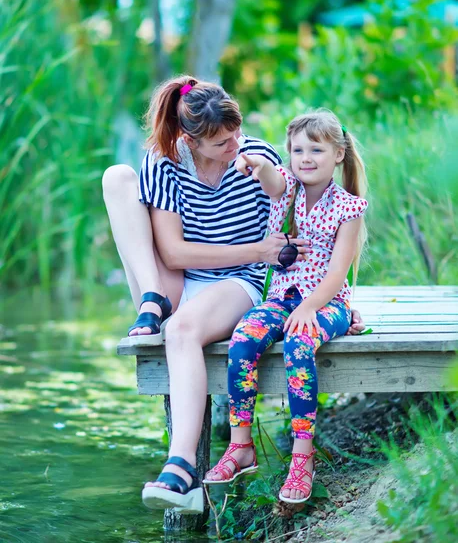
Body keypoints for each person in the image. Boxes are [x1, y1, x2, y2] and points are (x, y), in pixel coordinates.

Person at [102, 77, 366, 514]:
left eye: (236, 133)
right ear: (192, 140)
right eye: (222, 142)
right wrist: (260, 249)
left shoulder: (255, 155)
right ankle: (151, 299)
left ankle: (181, 466)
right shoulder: (165, 160)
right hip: (173, 280)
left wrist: (313, 298)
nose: (234, 144)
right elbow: (171, 251)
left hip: (233, 284)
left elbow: (282, 189)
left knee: (182, 331)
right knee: (117, 177)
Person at [203, 109, 368, 505]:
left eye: (316, 149)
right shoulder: (285, 190)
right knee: (243, 339)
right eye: (297, 149)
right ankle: (241, 446)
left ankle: (302, 455)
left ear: (338, 154)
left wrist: (310, 308)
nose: (306, 157)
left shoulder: (348, 208)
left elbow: (337, 272)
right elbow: (268, 174)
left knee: (298, 343)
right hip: (281, 298)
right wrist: (255, 162)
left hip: (326, 302)